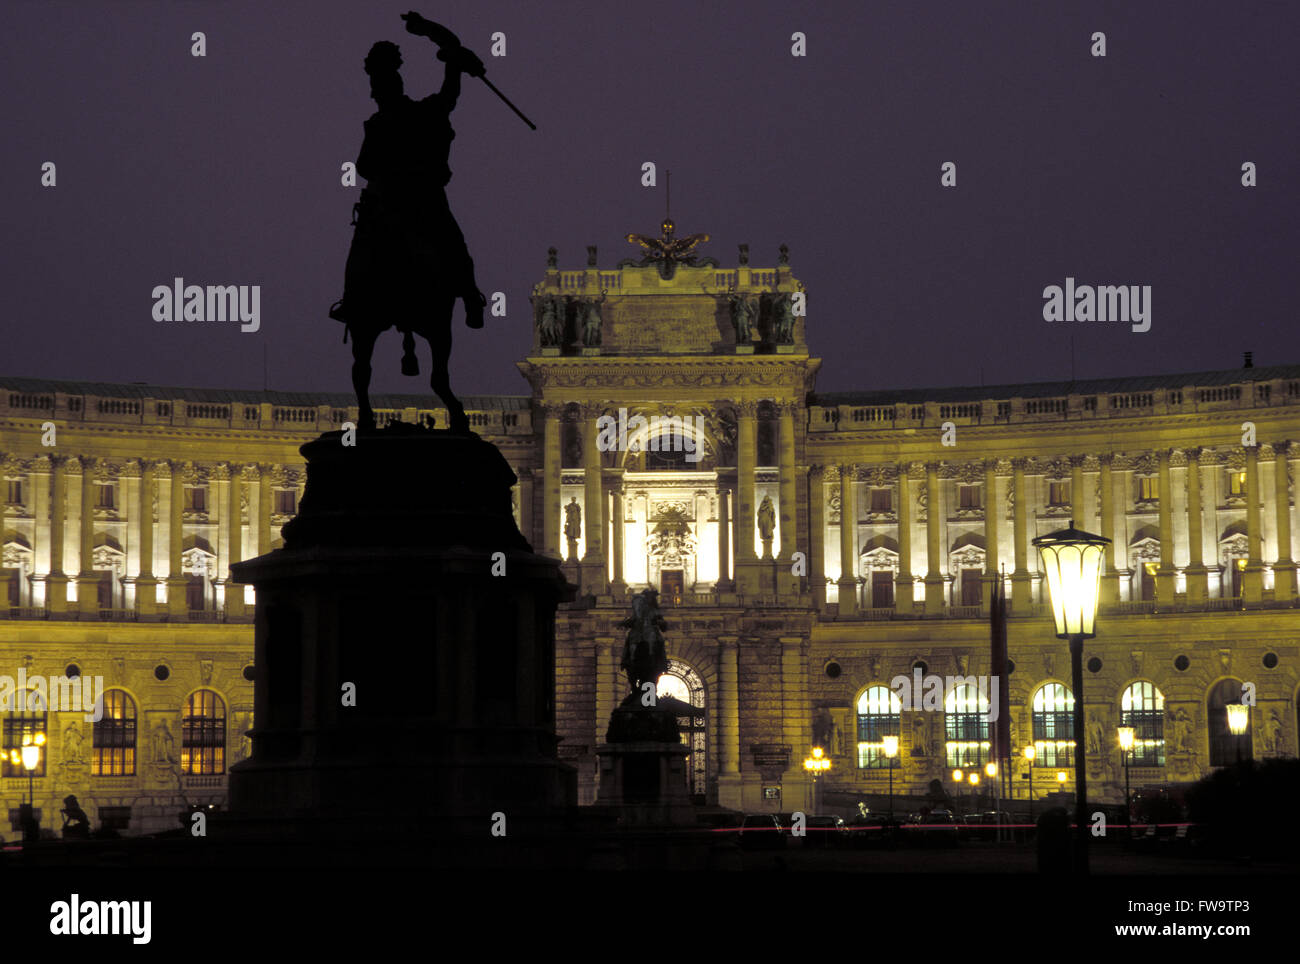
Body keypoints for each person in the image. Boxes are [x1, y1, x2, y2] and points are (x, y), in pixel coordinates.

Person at [330, 12, 488, 431]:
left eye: (381, 86)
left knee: (437, 241)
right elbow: (366, 165)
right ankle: (470, 295)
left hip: (405, 200)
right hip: (412, 201)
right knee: (451, 243)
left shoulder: (407, 116)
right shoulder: (410, 116)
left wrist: (443, 44)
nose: (379, 92)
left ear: (390, 88)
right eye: (378, 86)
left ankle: (355, 302)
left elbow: (364, 165)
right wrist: (448, 52)